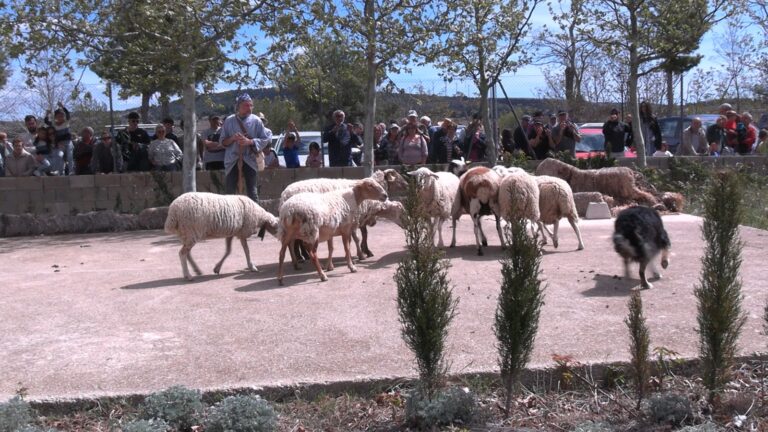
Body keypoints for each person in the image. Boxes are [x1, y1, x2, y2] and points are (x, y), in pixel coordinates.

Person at [219, 93, 270, 202]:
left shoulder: (256, 121)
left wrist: (250, 141)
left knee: (252, 192)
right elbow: (222, 142)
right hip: (232, 159)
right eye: (246, 105)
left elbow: (266, 139)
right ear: (239, 106)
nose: (249, 108)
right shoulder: (229, 121)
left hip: (249, 159)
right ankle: (230, 216)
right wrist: (233, 138)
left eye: (251, 105)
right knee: (230, 192)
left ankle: (256, 217)